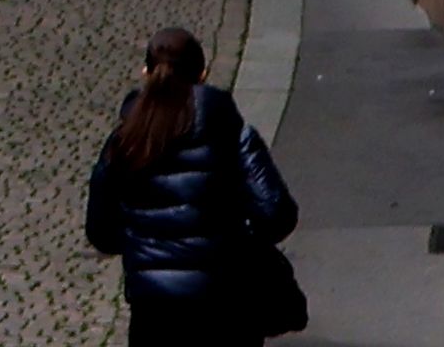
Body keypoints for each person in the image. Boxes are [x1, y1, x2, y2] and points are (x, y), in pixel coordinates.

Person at [83, 24, 297, 344]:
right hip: (226, 305)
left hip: (153, 312)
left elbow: (101, 232)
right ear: (203, 74)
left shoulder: (124, 142)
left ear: (146, 72)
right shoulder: (232, 133)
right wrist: (237, 237)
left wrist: (144, 242)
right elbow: (277, 213)